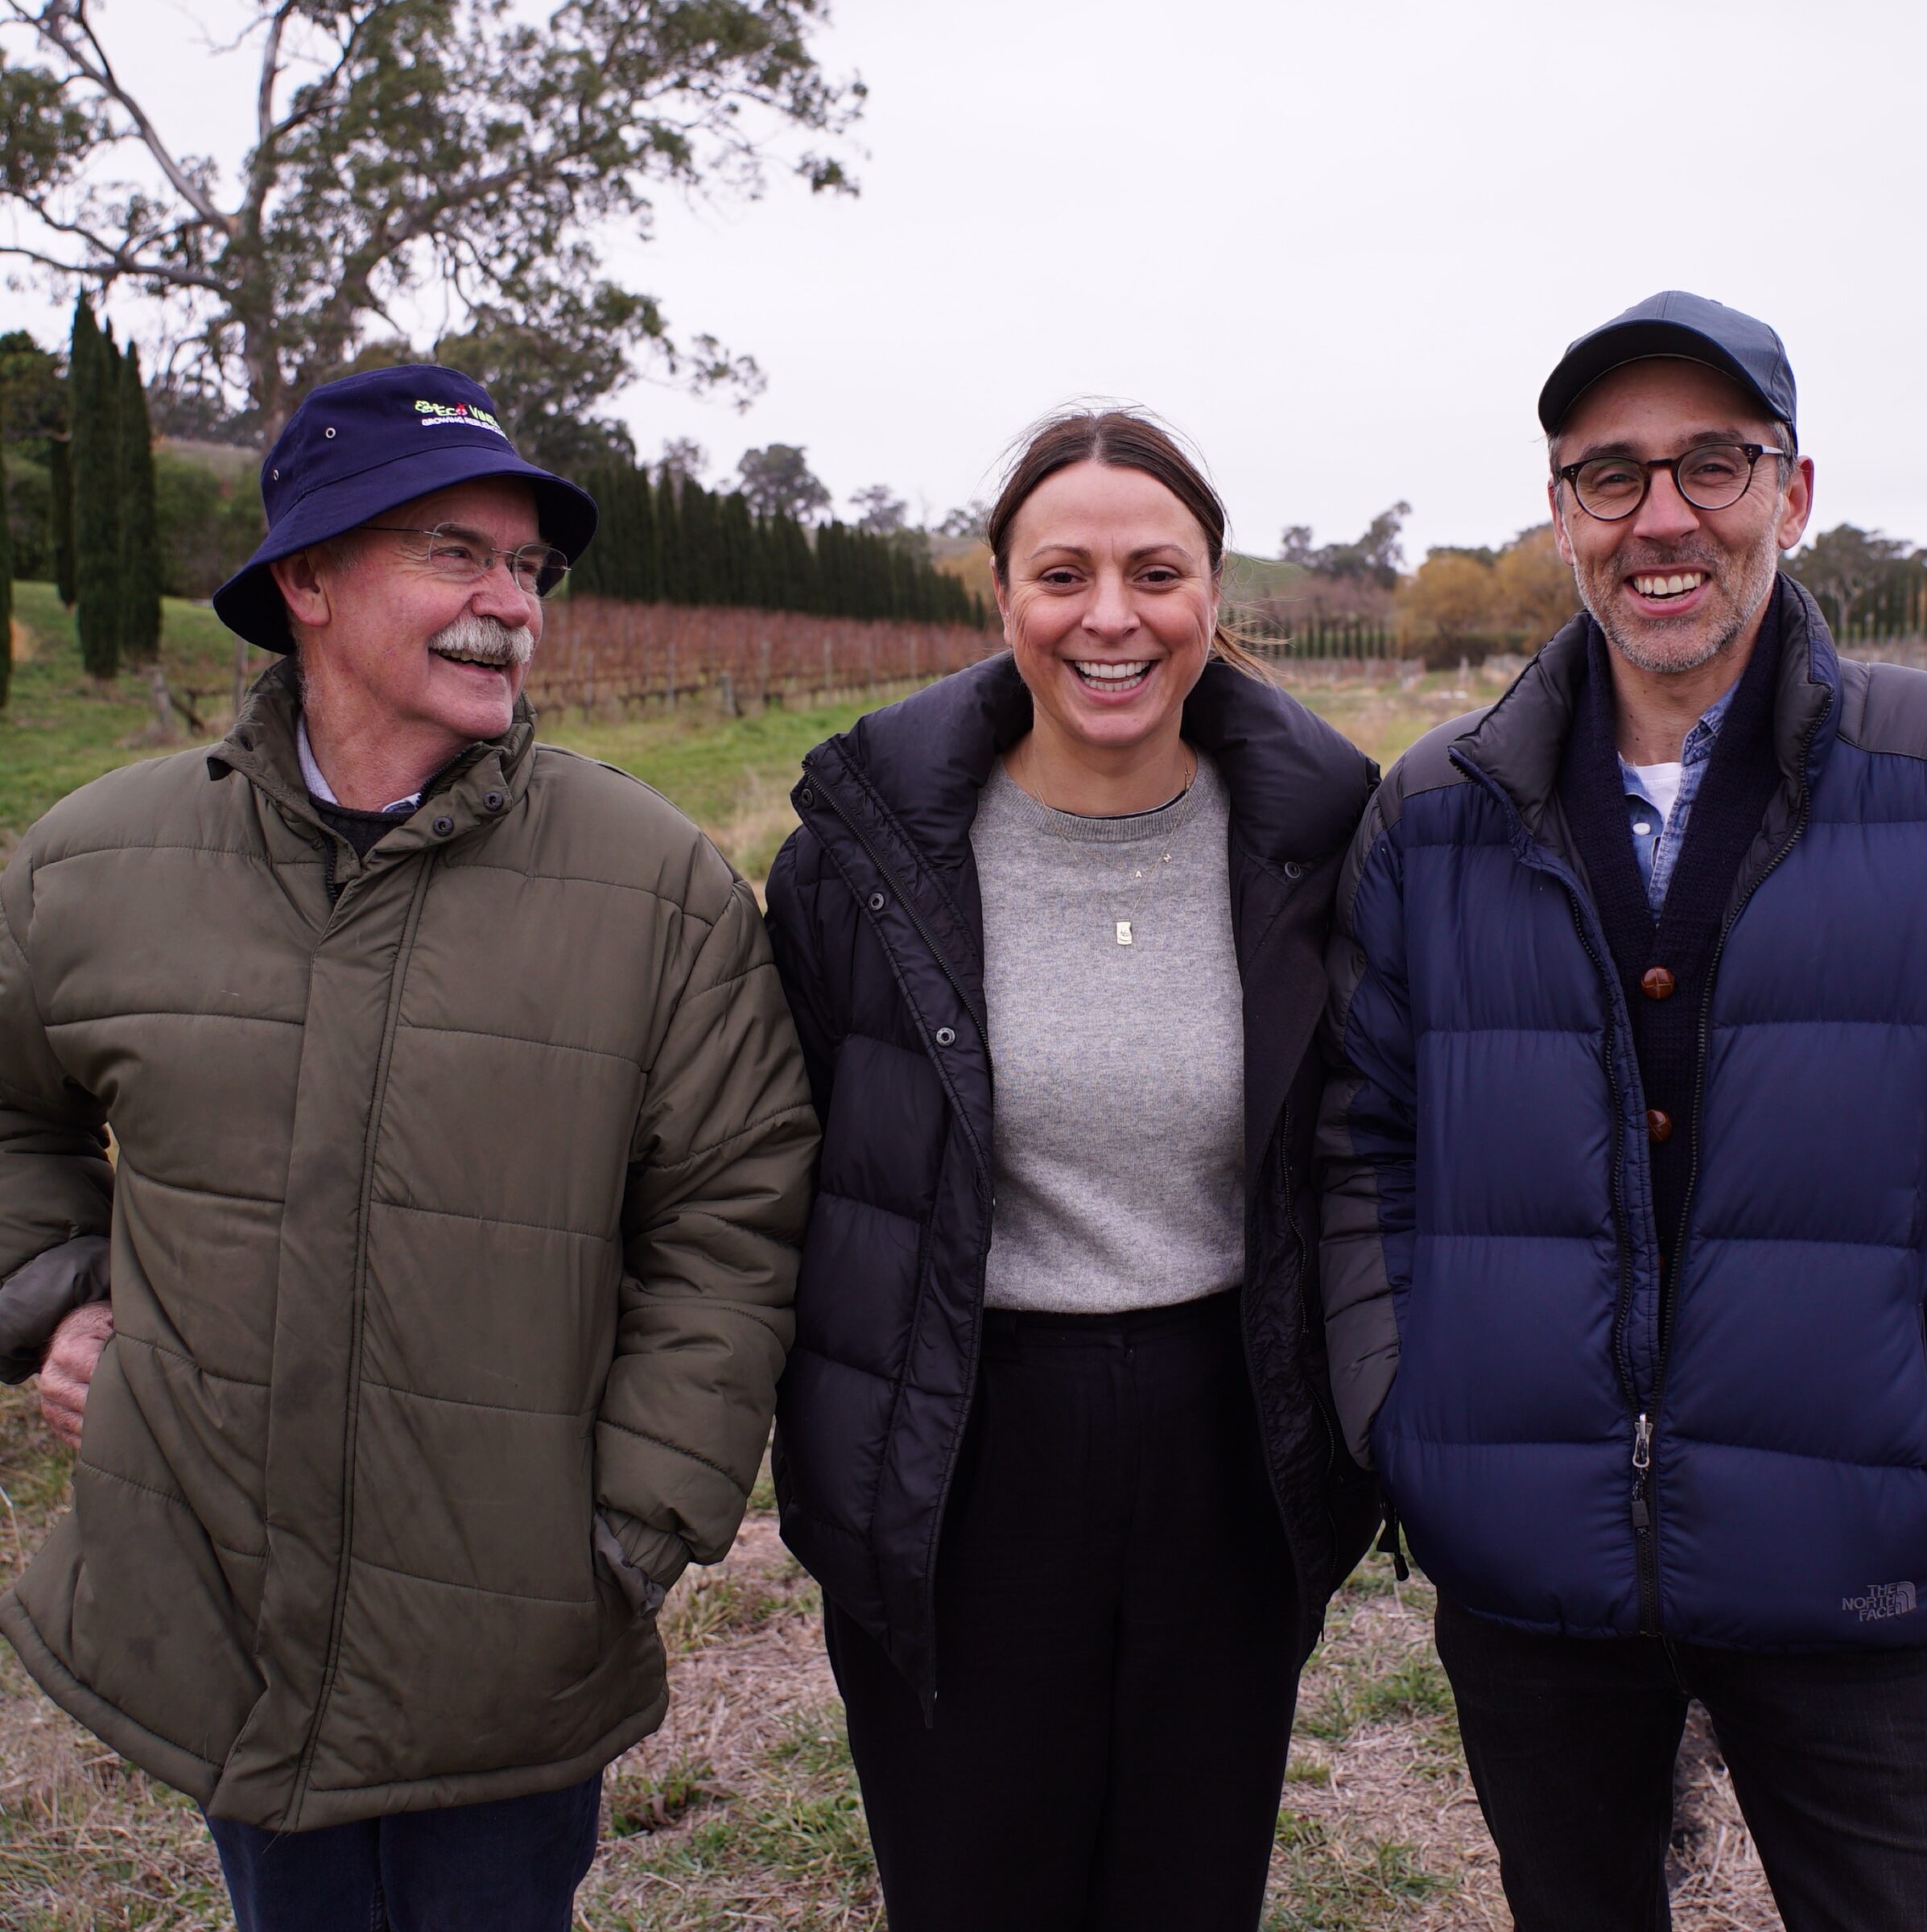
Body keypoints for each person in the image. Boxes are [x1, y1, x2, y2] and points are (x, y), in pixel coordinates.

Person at [0, 364, 817, 1931]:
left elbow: (736, 1207)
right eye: (454, 552)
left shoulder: (649, 883)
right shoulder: (93, 866)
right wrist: (61, 1290)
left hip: (511, 1634)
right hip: (216, 1611)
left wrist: (629, 1522)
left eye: (527, 568)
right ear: (303, 578)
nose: (508, 601)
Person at [1319, 290, 1927, 1930]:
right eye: (1609, 475)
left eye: (1710, 465)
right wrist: (1409, 1412)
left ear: (1790, 495)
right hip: (1529, 1557)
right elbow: (1364, 1141)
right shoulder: (1434, 813)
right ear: (1558, 511)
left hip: (1854, 1543)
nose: (1660, 516)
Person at [762, 410, 1380, 1930]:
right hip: (964, 1435)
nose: (1113, 618)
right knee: (975, 1880)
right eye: (1065, 574)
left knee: (1190, 1881)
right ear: (1000, 592)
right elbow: (787, 1172)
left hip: (1224, 1436)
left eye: (1156, 572)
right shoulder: (864, 862)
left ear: (1214, 597)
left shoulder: (1330, 849)